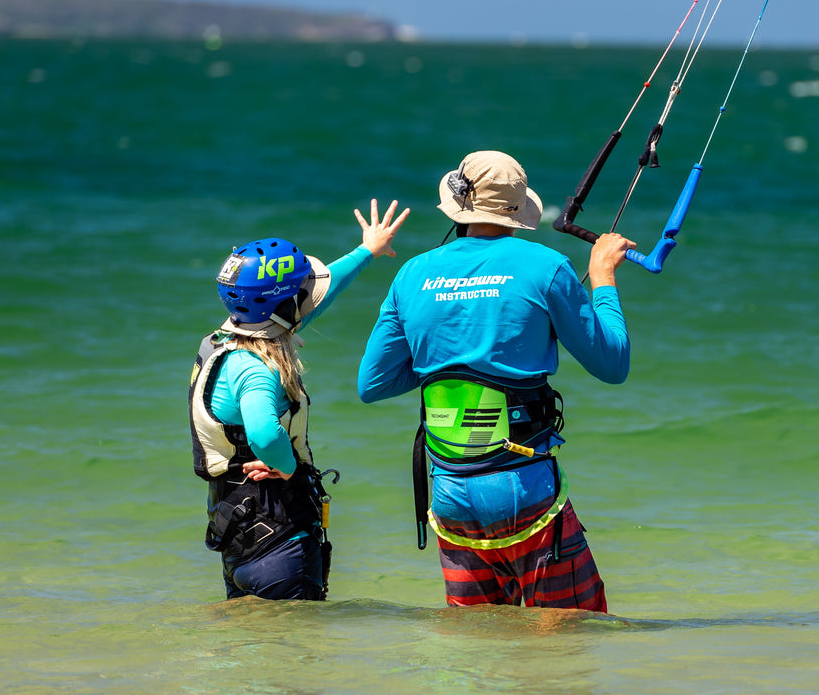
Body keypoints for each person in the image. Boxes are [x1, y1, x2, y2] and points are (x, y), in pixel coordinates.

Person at [356, 151, 634, 612]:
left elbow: (374, 383)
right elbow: (612, 365)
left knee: (478, 640)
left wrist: (444, 363)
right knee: (570, 632)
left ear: (458, 207)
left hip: (448, 488)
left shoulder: (411, 274)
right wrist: (603, 277)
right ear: (517, 209)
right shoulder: (546, 266)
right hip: (521, 486)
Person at [189, 199, 409, 600]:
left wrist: (368, 251)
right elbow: (263, 432)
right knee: (295, 654)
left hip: (237, 537)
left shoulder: (222, 343)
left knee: (256, 652)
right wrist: (288, 468)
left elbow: (314, 300)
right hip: (280, 542)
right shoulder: (256, 368)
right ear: (286, 305)